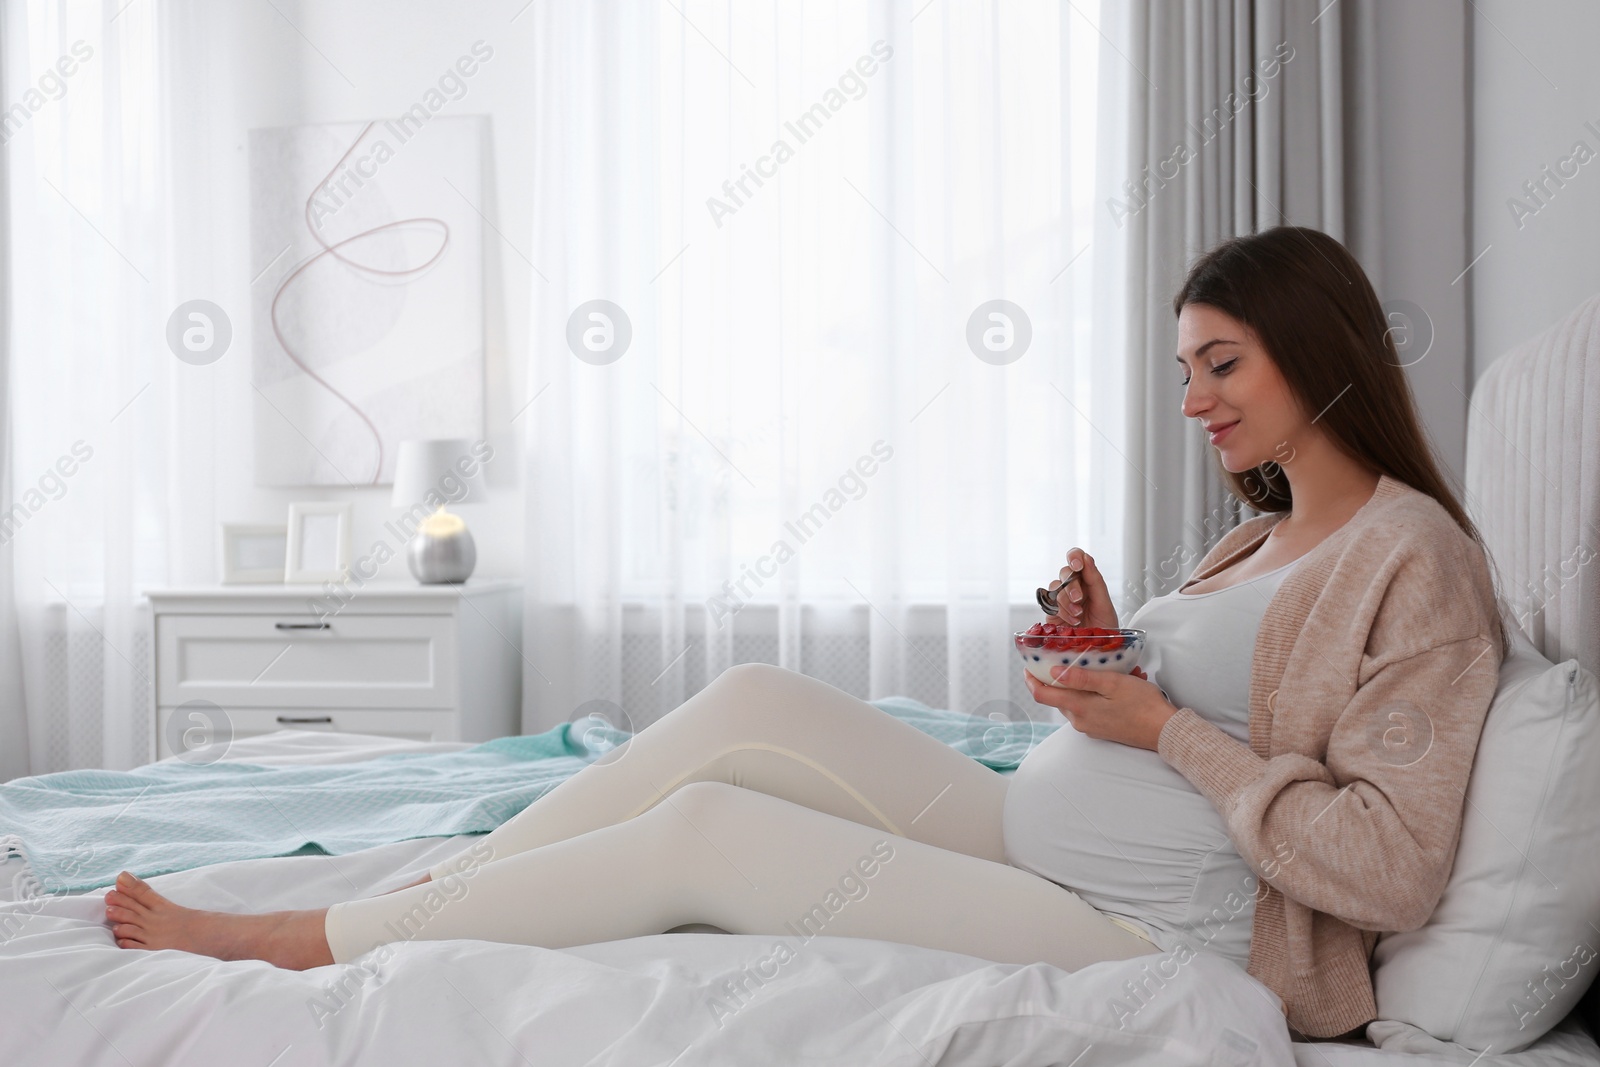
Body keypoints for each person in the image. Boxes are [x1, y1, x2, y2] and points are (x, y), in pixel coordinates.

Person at [103, 226, 1505, 1041]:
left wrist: (1158, 726)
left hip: (1168, 928)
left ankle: (313, 940)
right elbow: (1199, 719)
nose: (1194, 400)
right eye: (1185, 369)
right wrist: (1106, 661)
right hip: (1039, 834)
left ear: (1318, 352)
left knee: (710, 832)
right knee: (754, 701)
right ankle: (454, 883)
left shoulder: (1413, 561)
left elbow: (1383, 866)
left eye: (1222, 364)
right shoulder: (1259, 534)